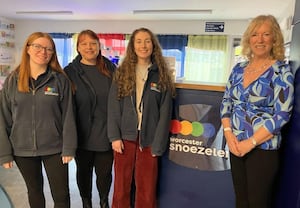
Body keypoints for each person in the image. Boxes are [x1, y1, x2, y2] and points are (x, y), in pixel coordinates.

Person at [220, 15, 294, 208]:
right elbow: (227, 102)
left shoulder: (281, 71)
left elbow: (282, 114)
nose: (259, 40)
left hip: (262, 149)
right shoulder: (238, 68)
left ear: (274, 38)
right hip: (236, 145)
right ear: (248, 39)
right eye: (254, 34)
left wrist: (250, 143)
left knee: (257, 203)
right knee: (241, 201)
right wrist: (229, 136)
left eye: (266, 34)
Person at [0, 32, 77, 208]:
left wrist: (69, 148)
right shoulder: (13, 80)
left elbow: (68, 116)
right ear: (28, 49)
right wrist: (4, 153)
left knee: (61, 195)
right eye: (38, 47)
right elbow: (3, 118)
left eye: (49, 49)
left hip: (55, 148)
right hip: (22, 149)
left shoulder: (60, 80)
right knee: (34, 192)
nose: (43, 52)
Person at [107, 27, 175, 208]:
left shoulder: (161, 76)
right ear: (132, 46)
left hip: (150, 139)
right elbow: (113, 108)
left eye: (147, 41)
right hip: (124, 137)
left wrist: (158, 144)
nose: (143, 45)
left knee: (146, 188)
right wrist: (114, 137)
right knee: (121, 187)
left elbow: (165, 113)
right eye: (138, 41)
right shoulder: (121, 73)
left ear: (153, 45)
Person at [64, 29, 116, 208]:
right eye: (84, 43)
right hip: (82, 134)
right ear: (78, 47)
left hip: (106, 133)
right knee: (83, 173)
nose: (89, 47)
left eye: (93, 43)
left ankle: (103, 202)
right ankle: (86, 203)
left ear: (99, 46)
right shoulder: (70, 72)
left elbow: (119, 100)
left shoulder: (110, 68)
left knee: (104, 174)